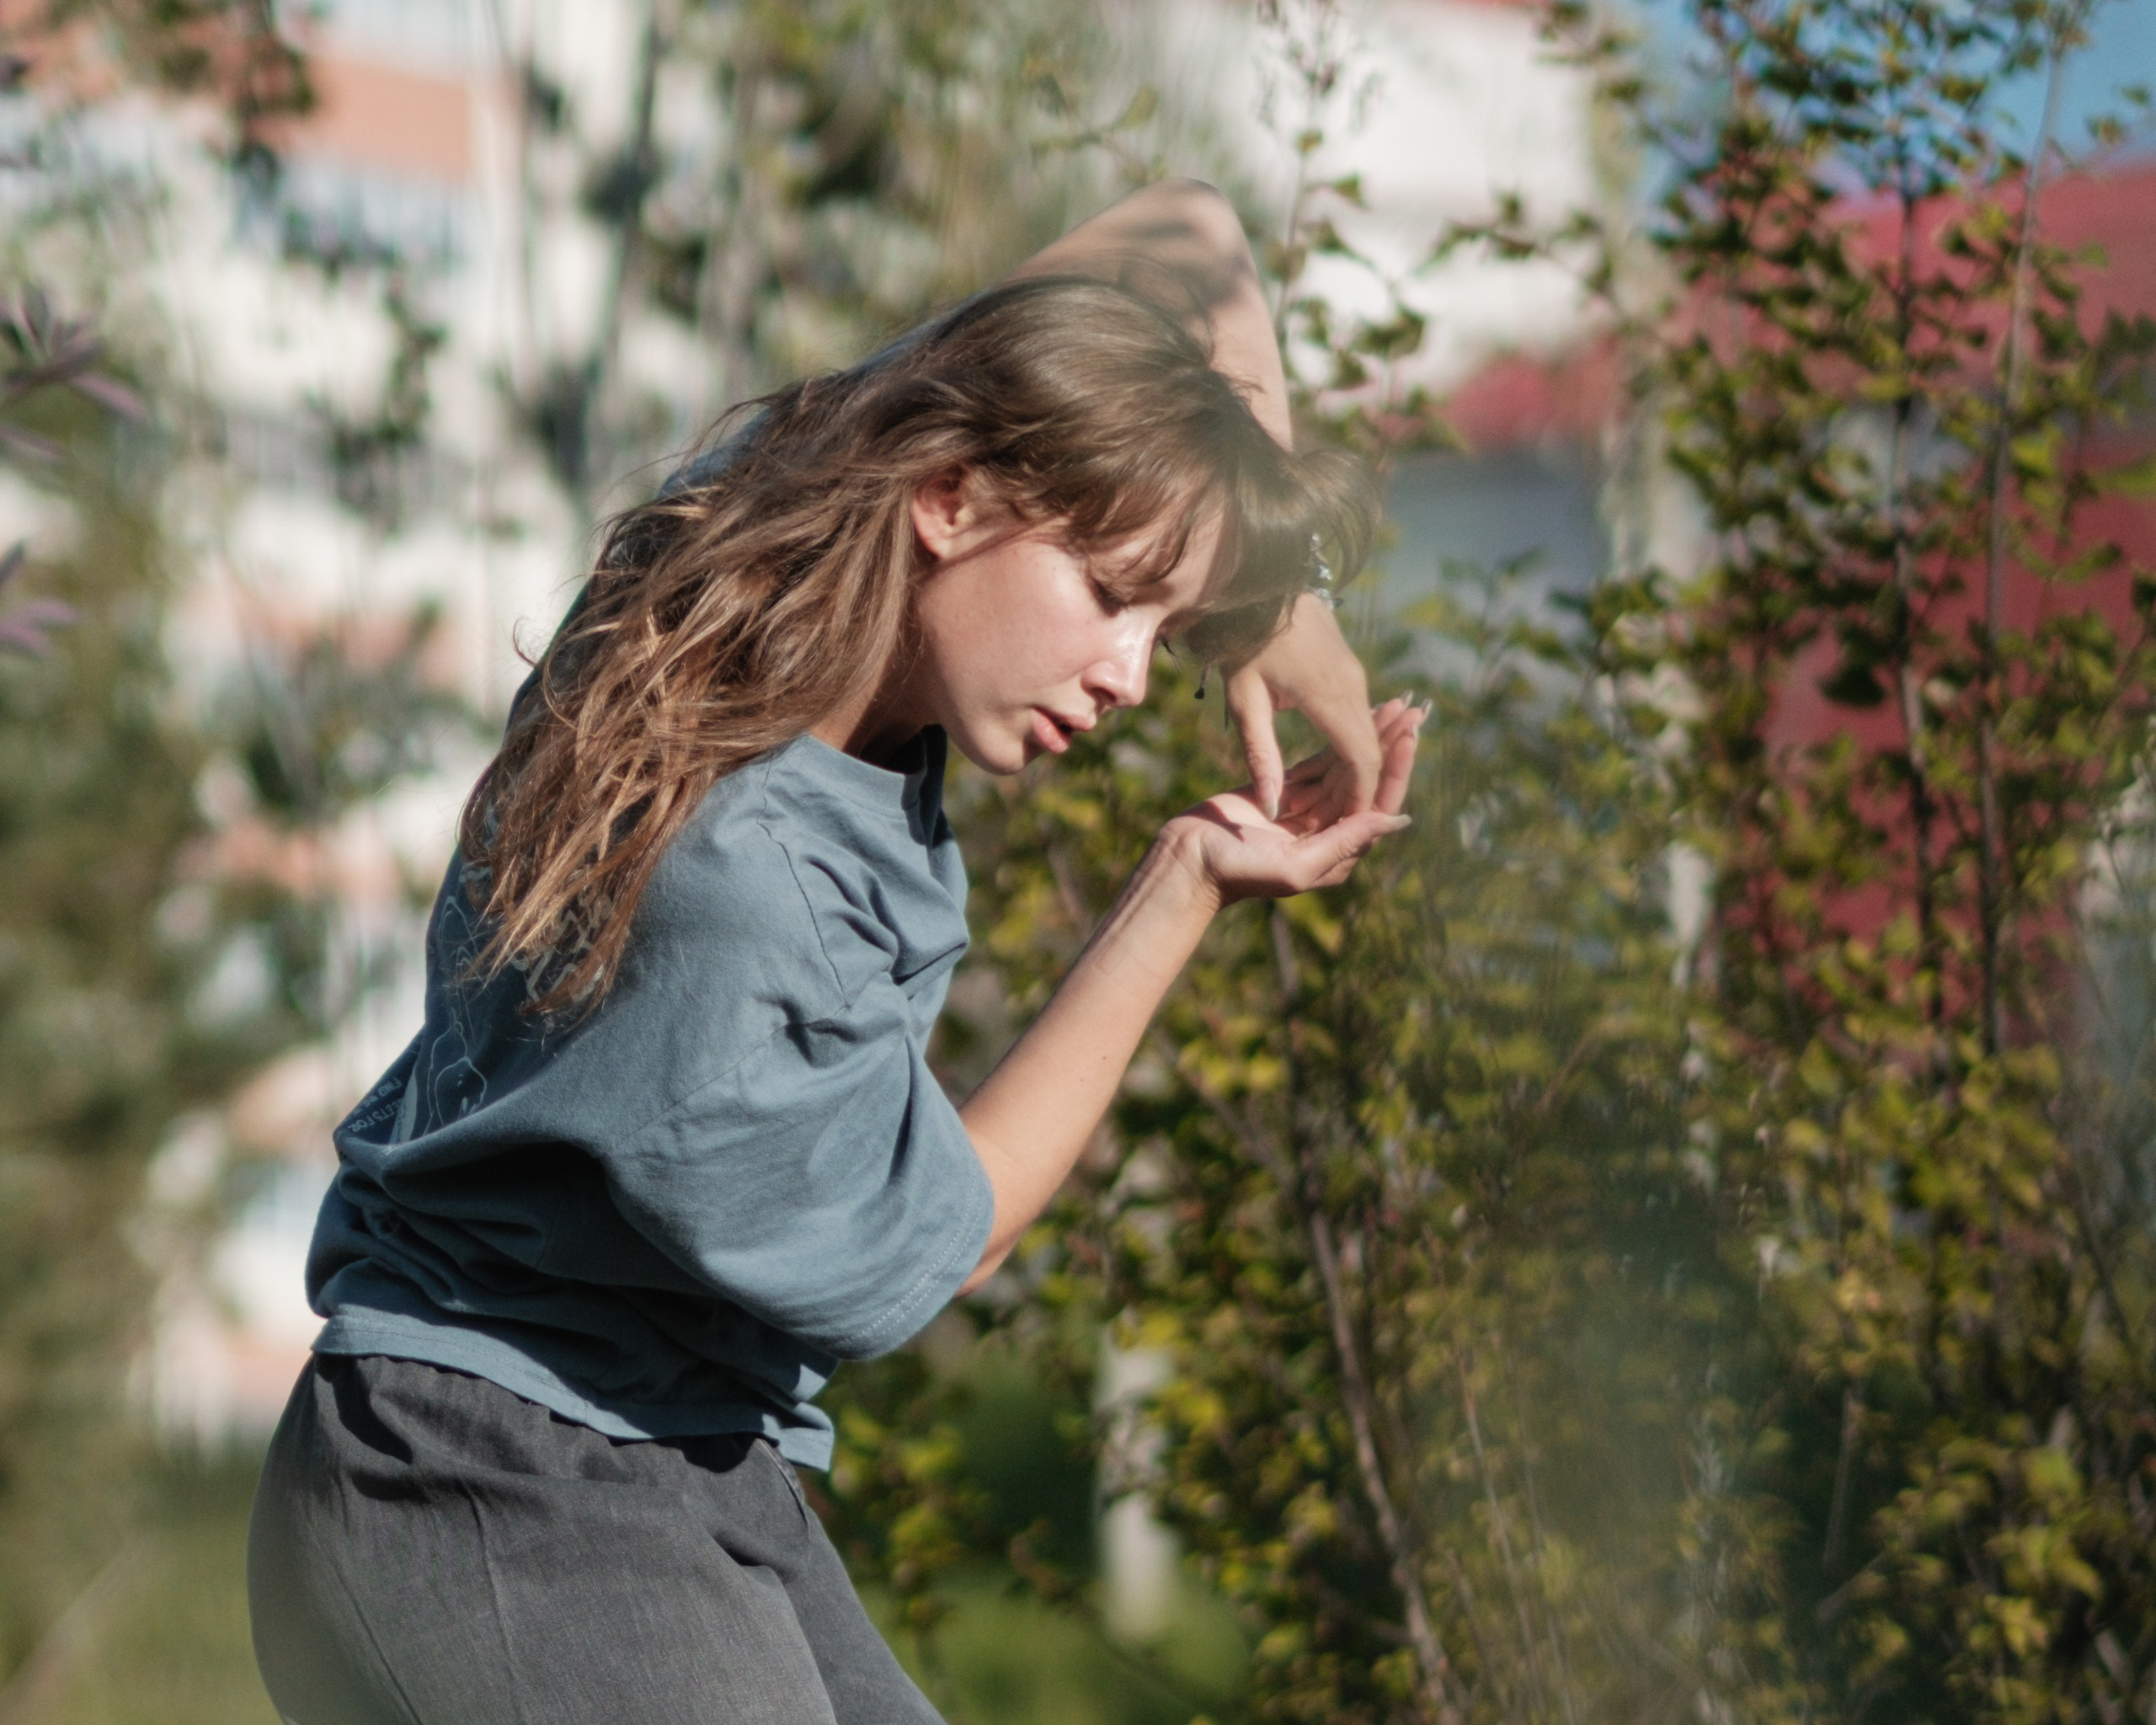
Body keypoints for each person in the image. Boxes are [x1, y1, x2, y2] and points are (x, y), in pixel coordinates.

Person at [247, 179, 1421, 1725]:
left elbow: (1189, 234)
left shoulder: (726, 555)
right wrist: (1186, 883)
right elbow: (956, 1234)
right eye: (1115, 600)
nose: (1136, 673)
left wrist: (1273, 595)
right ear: (956, 497)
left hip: (668, 1459)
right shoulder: (751, 898)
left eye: (1168, 624)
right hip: (492, 1488)